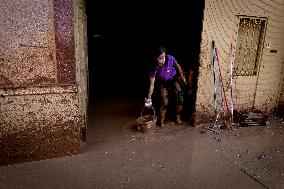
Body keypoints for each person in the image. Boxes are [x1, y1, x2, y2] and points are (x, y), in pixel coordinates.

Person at [145, 46, 187, 127]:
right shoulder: (153, 68)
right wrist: (148, 101)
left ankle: (178, 118)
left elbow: (177, 65)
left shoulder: (170, 58)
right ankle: (161, 120)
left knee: (180, 97)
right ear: (155, 58)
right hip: (163, 82)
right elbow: (151, 85)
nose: (163, 59)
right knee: (164, 101)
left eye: (164, 57)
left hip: (174, 78)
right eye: (160, 58)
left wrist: (182, 76)